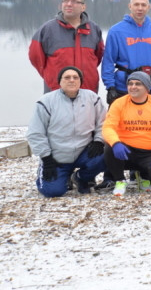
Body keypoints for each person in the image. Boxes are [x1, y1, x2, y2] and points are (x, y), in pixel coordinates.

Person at [27, 66, 106, 197]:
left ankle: (80, 177)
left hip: (83, 152)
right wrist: (46, 158)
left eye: (75, 77)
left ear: (80, 81)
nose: (71, 80)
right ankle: (60, 177)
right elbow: (35, 133)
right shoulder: (46, 101)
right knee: (52, 192)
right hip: (57, 157)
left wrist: (98, 141)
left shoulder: (92, 98)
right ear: (60, 81)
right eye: (67, 77)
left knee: (107, 154)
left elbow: (103, 123)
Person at [102, 71, 151, 196]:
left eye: (138, 84)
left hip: (148, 152)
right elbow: (108, 127)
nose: (133, 86)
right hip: (125, 151)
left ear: (147, 87)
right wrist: (116, 143)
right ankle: (120, 180)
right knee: (109, 147)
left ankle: (145, 177)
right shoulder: (119, 103)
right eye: (130, 83)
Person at [102, 0, 151, 103]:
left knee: (149, 119)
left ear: (148, 7)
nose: (140, 8)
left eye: (143, 5)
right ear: (130, 6)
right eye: (136, 5)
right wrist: (110, 87)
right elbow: (108, 61)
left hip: (149, 86)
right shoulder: (116, 31)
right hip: (123, 87)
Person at [29, 0, 104, 93]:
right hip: (56, 91)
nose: (69, 4)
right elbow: (36, 58)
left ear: (83, 7)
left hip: (87, 90)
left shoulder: (94, 29)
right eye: (66, 1)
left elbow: (98, 57)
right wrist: (50, 77)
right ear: (61, 5)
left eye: (74, 1)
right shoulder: (47, 30)